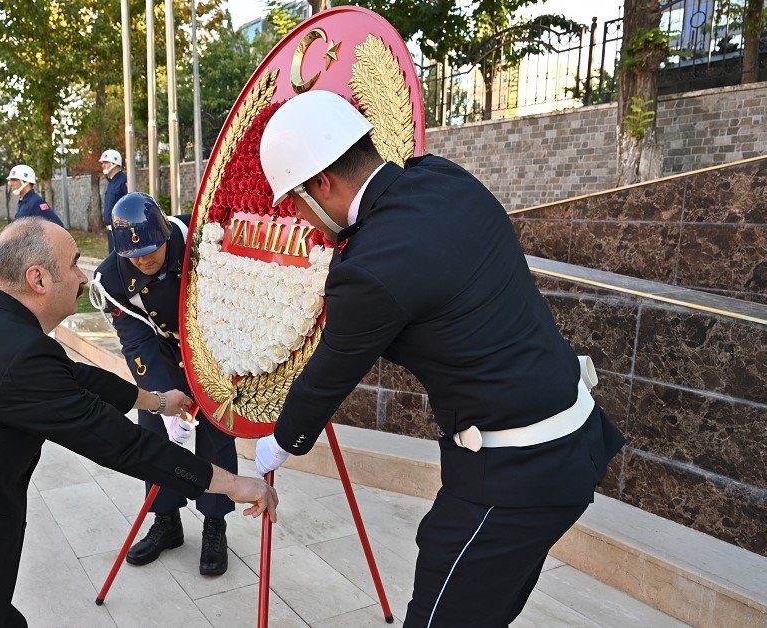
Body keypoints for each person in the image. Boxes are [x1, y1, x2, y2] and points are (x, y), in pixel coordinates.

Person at [255, 90, 625, 627]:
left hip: (513, 475)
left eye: (293, 200)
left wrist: (277, 444)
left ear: (321, 185)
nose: (296, 216)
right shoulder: (444, 178)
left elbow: (329, 373)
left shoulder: (368, 267)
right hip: (577, 441)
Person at [0, 217, 277, 627]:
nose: (83, 276)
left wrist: (156, 401)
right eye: (74, 264)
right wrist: (236, 484)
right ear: (38, 279)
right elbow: (123, 445)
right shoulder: (16, 357)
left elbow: (75, 375)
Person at [91, 192, 239, 575]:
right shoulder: (112, 278)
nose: (144, 259)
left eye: (152, 248)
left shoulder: (201, 235)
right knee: (155, 431)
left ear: (165, 234)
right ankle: (166, 522)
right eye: (134, 255)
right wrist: (162, 397)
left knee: (217, 434)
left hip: (213, 342)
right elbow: (136, 341)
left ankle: (214, 525)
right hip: (161, 349)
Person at [99, 148, 128, 253]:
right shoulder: (112, 181)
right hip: (111, 231)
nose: (103, 165)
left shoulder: (123, 181)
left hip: (120, 230)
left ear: (114, 162)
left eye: (105, 162)